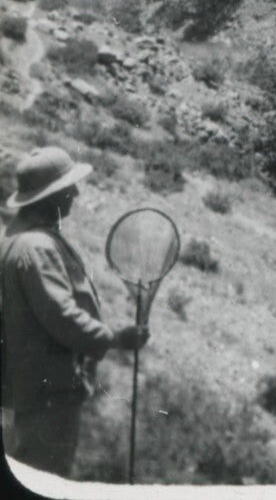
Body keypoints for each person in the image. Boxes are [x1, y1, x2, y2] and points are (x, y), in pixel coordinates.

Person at [1, 146, 148, 477]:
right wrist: (113, 338)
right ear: (49, 196)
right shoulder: (37, 247)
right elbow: (60, 315)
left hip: (28, 392)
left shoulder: (16, 238)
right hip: (46, 397)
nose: (76, 194)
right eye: (69, 188)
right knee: (45, 477)